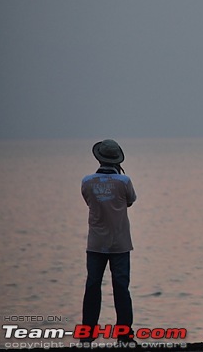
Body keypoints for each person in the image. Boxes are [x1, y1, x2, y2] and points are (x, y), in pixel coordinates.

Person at [81, 139, 137, 343]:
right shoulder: (124, 182)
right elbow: (130, 201)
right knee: (121, 288)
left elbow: (88, 201)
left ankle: (87, 335)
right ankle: (124, 335)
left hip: (96, 243)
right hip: (120, 243)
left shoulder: (87, 181)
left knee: (92, 286)